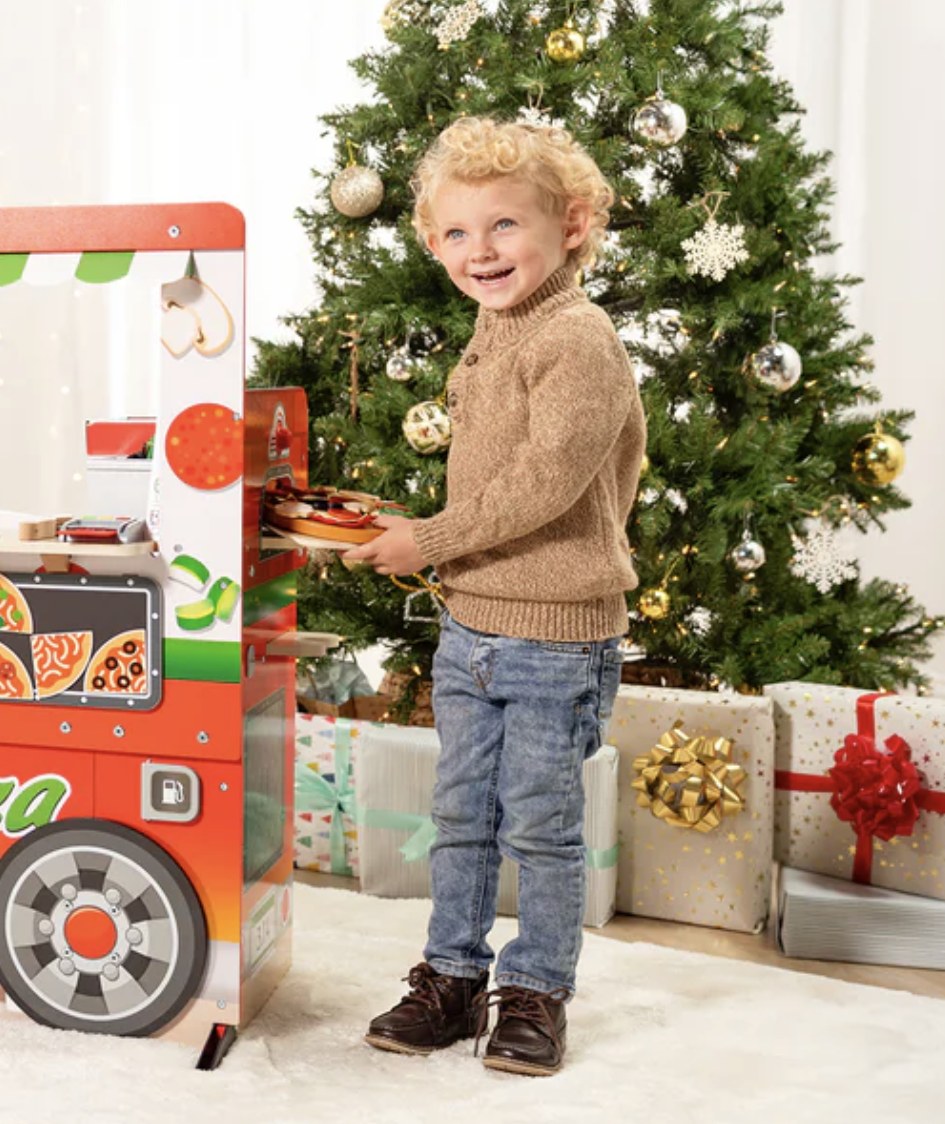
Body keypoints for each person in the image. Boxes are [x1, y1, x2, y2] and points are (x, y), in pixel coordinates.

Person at [346, 117, 645, 1076]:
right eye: (457, 233)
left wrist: (429, 541)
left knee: (542, 828)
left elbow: (546, 483)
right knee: (463, 817)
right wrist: (415, 532)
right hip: (470, 626)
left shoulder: (577, 339)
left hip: (556, 640)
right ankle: (451, 977)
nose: (481, 251)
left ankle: (536, 991)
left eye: (505, 225)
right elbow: (491, 482)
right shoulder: (498, 324)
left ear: (573, 225)